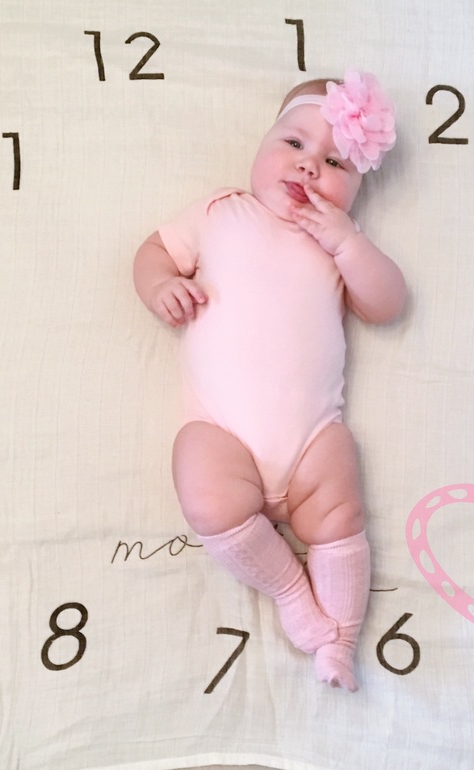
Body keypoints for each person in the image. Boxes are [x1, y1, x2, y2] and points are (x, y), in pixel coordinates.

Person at [133, 70, 406, 691]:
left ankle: (339, 642)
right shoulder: (220, 212)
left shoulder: (338, 247)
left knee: (341, 508)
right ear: (262, 144)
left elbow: (388, 304)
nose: (310, 166)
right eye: (294, 143)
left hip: (312, 441)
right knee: (204, 490)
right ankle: (290, 591)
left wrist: (349, 244)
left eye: (335, 162)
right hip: (222, 431)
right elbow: (154, 252)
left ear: (356, 188)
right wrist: (161, 284)